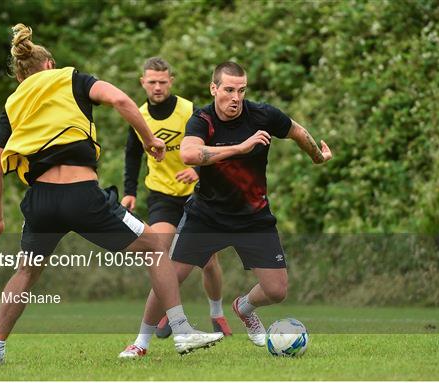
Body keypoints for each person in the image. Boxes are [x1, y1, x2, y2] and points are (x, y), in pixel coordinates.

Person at [0, 24, 222, 365]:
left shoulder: (14, 103)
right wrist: (149, 139)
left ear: (22, 77)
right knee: (155, 246)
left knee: (25, 273)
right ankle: (182, 331)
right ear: (49, 65)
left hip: (41, 202)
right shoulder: (70, 78)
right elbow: (120, 100)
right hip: (81, 196)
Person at [120, 61, 332, 356]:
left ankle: (244, 308)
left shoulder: (262, 114)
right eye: (229, 90)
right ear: (214, 88)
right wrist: (240, 148)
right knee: (169, 277)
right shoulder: (202, 119)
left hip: (254, 216)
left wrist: (316, 156)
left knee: (276, 290)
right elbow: (190, 153)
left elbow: (296, 130)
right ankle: (140, 343)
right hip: (206, 217)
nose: (236, 97)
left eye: (241, 90)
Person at [119, 57, 232, 343]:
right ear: (142, 82)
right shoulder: (139, 114)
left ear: (171, 81)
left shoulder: (188, 110)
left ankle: (216, 312)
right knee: (160, 251)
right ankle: (170, 312)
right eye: (151, 82)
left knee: (208, 262)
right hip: (161, 195)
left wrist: (196, 170)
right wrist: (129, 191)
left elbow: (211, 146)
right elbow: (132, 153)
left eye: (162, 81)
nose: (157, 87)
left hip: (197, 193)